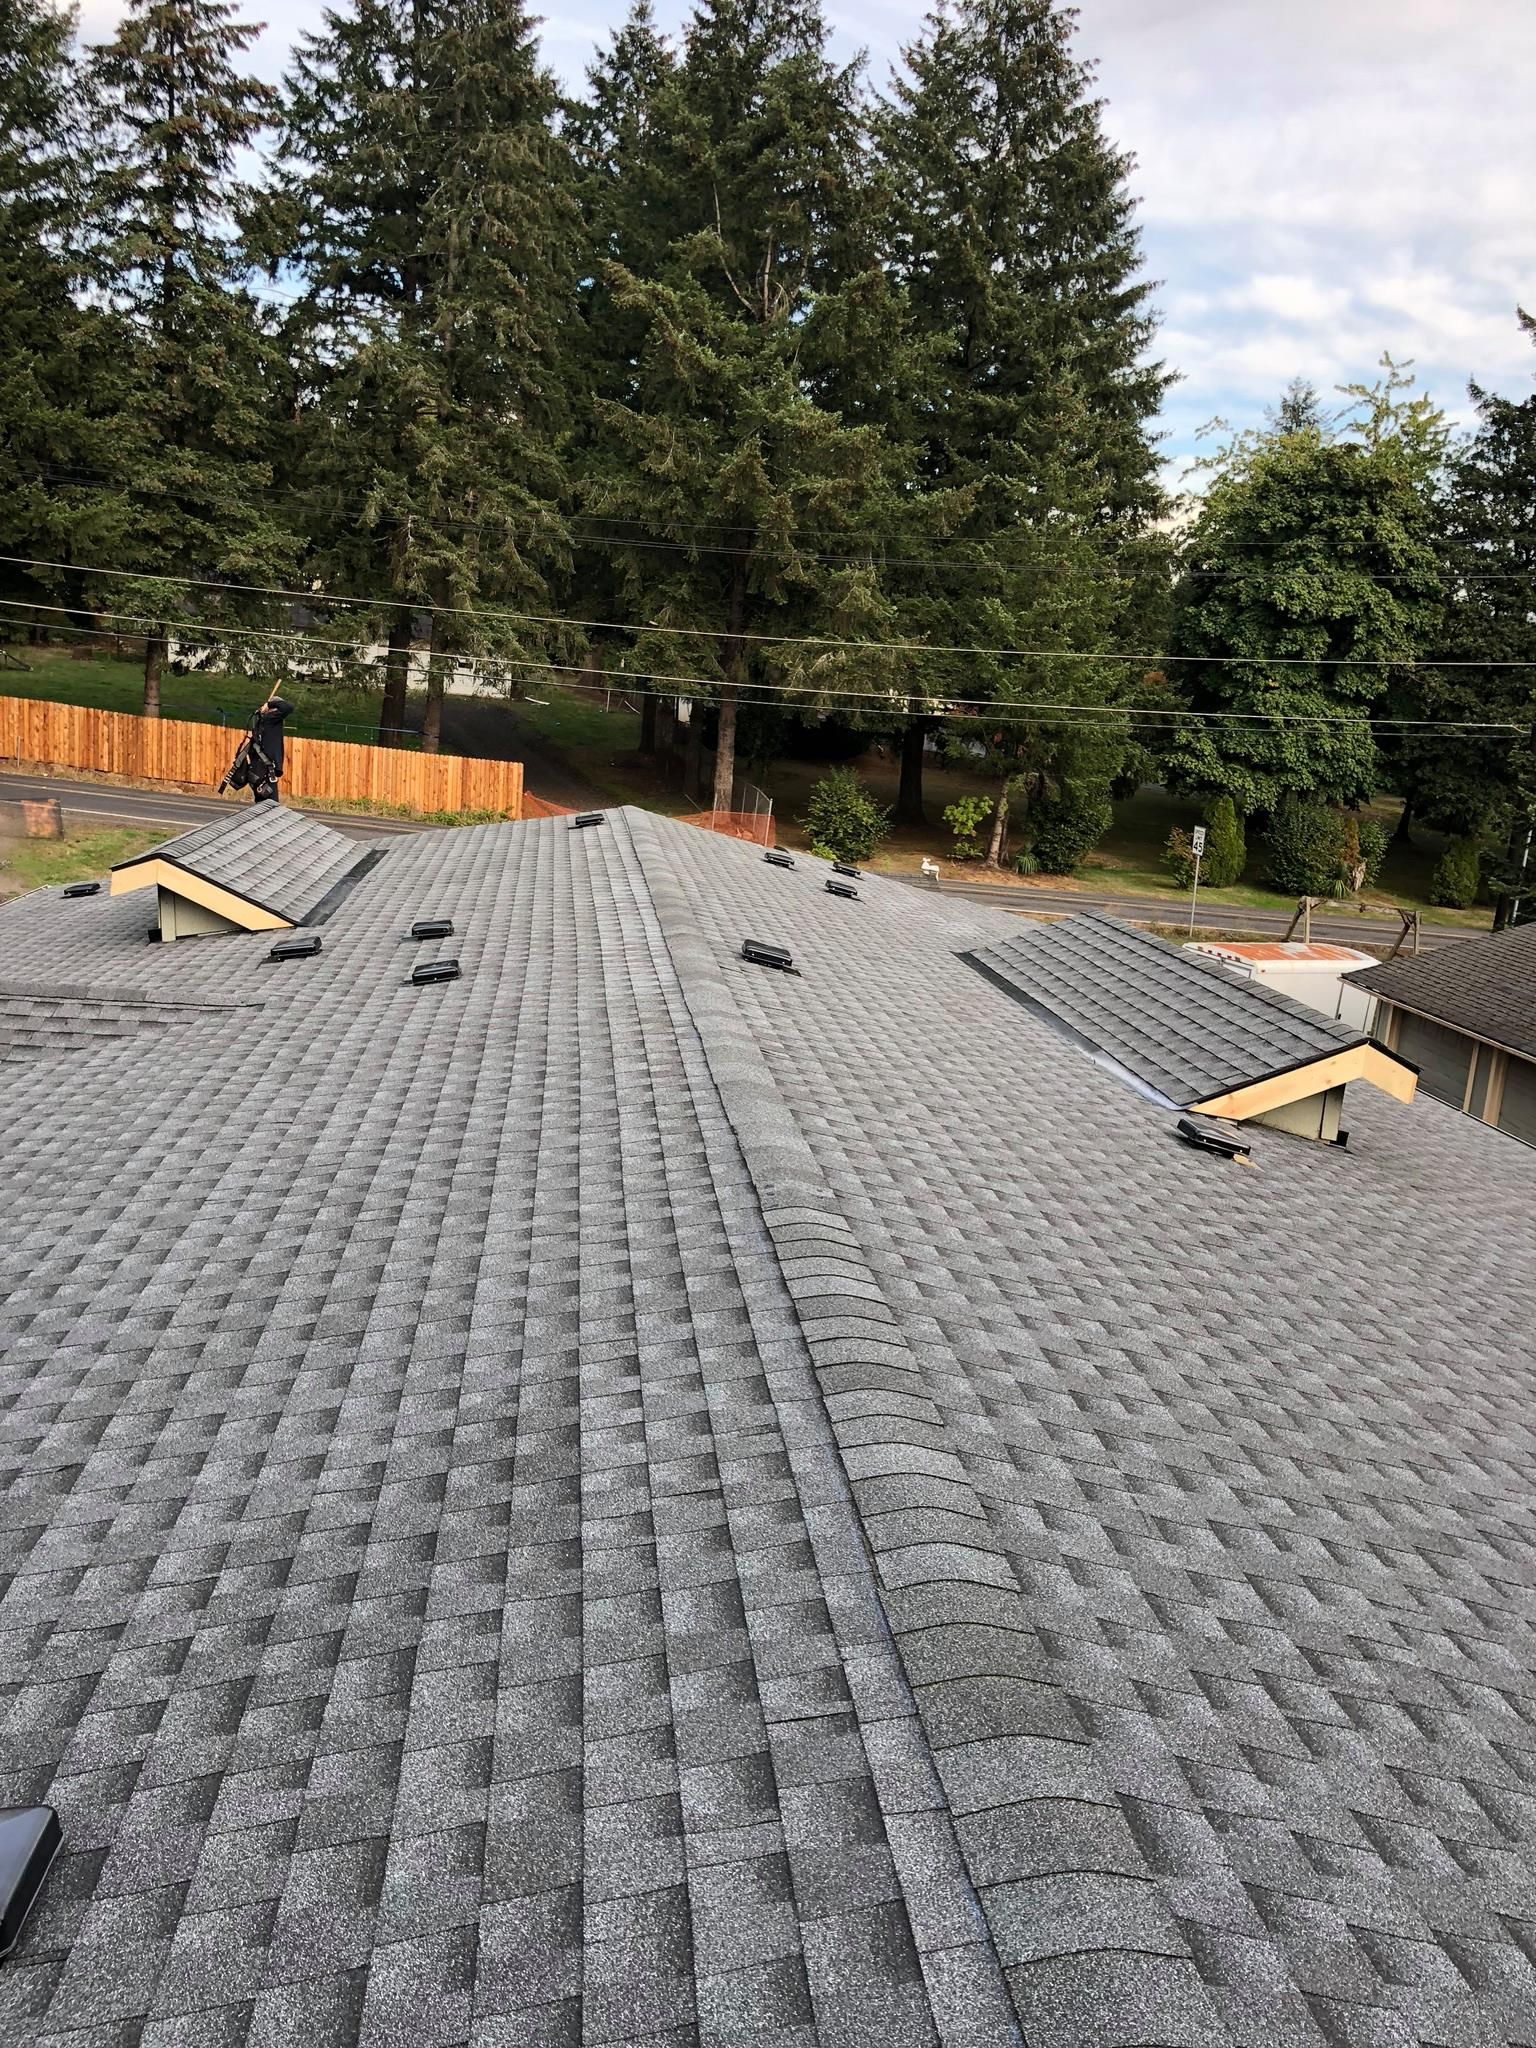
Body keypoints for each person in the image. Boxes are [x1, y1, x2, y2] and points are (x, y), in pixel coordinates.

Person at [245, 695, 293, 803]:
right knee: (271, 806)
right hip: (265, 770)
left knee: (262, 806)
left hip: (258, 769)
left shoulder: (263, 721)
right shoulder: (271, 719)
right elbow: (288, 708)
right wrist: (270, 704)